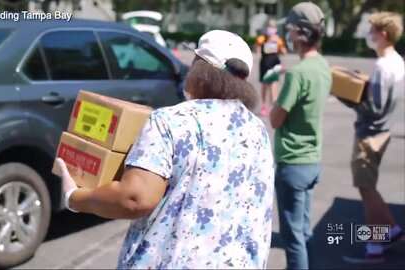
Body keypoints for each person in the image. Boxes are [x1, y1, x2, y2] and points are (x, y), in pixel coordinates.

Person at [56, 30, 275, 269]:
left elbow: (134, 198)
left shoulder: (171, 121)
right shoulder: (257, 129)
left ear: (199, 68)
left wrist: (75, 198)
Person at [268, 2, 330, 269]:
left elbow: (275, 118)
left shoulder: (297, 75)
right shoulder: (323, 67)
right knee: (304, 233)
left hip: (292, 164)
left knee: (292, 240)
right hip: (312, 161)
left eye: (290, 30)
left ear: (301, 33)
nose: (288, 36)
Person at [340, 12, 405, 264]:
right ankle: (391, 230)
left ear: (383, 34)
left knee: (366, 190)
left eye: (372, 31)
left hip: (370, 134)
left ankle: (376, 245)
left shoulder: (382, 66)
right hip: (384, 131)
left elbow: (373, 107)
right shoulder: (398, 62)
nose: (370, 35)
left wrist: (348, 96)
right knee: (368, 187)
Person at [254, 19, 287, 116]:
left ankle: (274, 105)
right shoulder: (262, 38)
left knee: (273, 85)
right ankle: (264, 105)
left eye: (272, 27)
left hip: (274, 64)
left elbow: (284, 52)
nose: (270, 29)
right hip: (265, 64)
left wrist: (279, 45)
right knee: (265, 85)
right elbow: (257, 51)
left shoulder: (278, 39)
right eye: (269, 26)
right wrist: (260, 44)